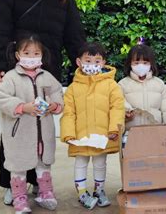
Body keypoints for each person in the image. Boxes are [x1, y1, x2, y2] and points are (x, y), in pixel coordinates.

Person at [0, 0, 86, 204]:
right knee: (15, 127)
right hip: (16, 70)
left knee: (41, 128)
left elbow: (74, 37)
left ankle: (36, 182)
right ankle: (11, 181)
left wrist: (85, 60)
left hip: (47, 73)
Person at [0, 34, 63, 213]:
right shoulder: (10, 78)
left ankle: (45, 193)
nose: (31, 58)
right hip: (20, 133)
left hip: (44, 133)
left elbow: (57, 93)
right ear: (18, 55)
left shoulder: (47, 76)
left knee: (43, 163)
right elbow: (1, 99)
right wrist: (22, 107)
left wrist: (54, 105)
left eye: (36, 53)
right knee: (19, 165)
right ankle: (20, 198)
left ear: (41, 55)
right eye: (27, 53)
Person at [60, 42, 125, 210]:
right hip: (80, 136)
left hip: (102, 136)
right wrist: (68, 133)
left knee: (100, 163)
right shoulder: (73, 88)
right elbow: (69, 112)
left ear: (103, 63)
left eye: (97, 61)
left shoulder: (111, 85)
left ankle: (99, 190)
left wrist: (113, 129)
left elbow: (117, 107)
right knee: (80, 163)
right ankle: (82, 193)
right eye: (88, 60)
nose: (92, 65)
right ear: (79, 62)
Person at [118, 44, 166, 129]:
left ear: (151, 64)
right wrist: (127, 110)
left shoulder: (159, 84)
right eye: (136, 63)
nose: (141, 66)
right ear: (130, 64)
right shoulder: (123, 84)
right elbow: (119, 103)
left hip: (156, 131)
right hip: (131, 133)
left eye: (145, 63)